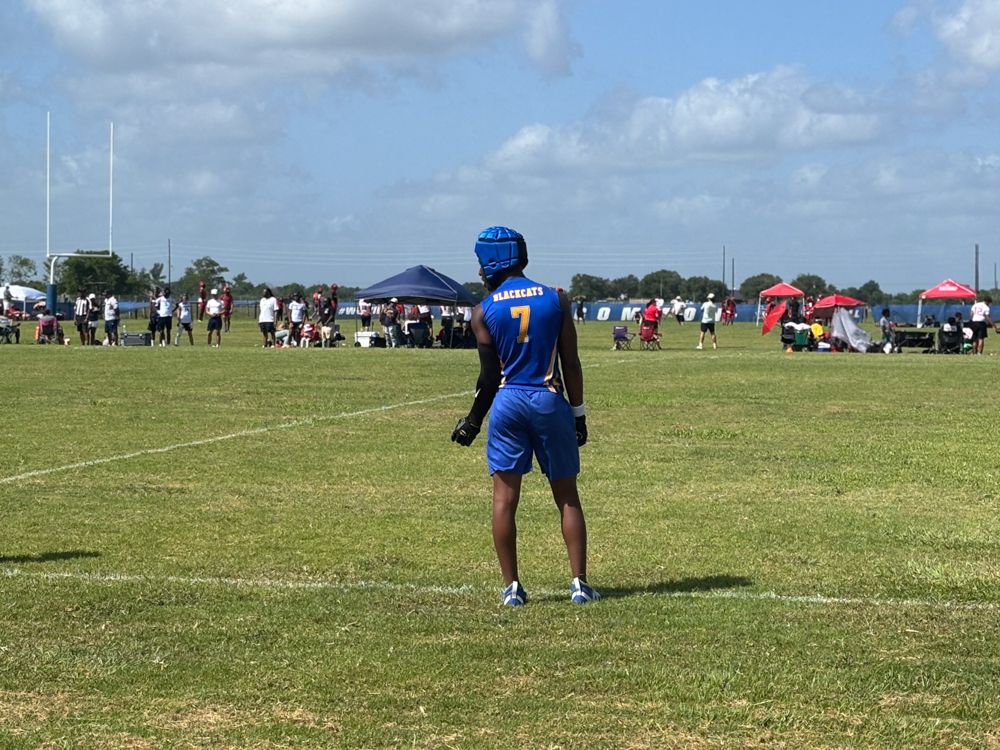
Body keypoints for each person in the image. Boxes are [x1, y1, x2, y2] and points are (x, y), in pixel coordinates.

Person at [451, 226, 598, 607]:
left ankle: (512, 587)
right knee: (566, 495)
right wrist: (578, 415)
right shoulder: (556, 299)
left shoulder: (483, 311)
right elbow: (571, 363)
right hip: (550, 399)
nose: (480, 273)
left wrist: (472, 421)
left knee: (504, 499)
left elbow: (487, 378)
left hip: (507, 402)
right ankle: (579, 584)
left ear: (491, 262)